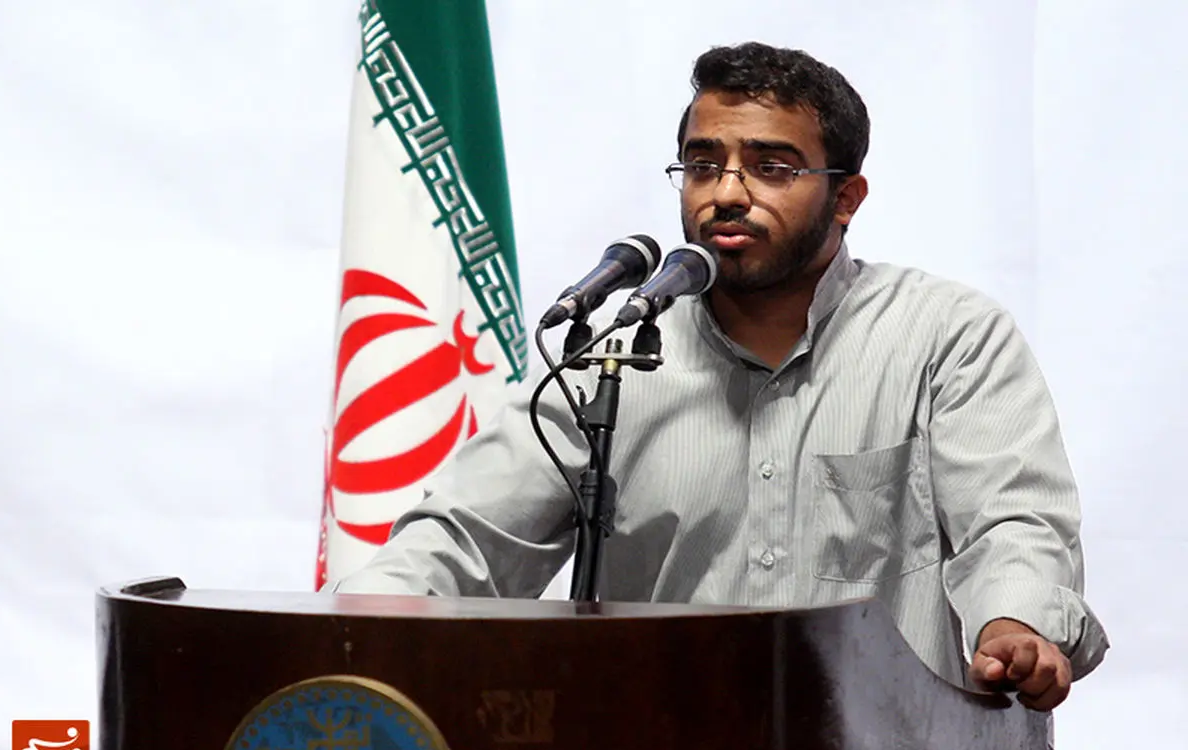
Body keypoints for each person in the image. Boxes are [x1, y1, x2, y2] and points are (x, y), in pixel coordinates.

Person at [327, 42, 1108, 712]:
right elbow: (467, 539)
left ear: (845, 198)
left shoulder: (944, 337)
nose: (728, 192)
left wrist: (1015, 623)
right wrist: (344, 632)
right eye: (704, 165)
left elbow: (1013, 524)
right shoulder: (613, 360)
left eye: (771, 167)